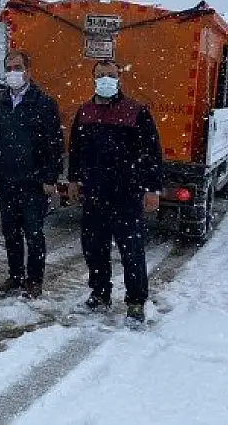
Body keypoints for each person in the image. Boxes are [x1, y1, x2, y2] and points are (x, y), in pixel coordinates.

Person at [67, 60, 163, 323]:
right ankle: (99, 294)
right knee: (94, 249)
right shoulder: (85, 112)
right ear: (93, 78)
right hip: (94, 195)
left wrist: (152, 188)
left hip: (127, 195)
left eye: (110, 75)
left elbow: (152, 153)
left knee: (131, 251)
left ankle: (135, 302)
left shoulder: (135, 112)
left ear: (119, 78)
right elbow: (75, 150)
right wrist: (74, 180)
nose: (105, 79)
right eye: (100, 75)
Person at [0, 50, 64, 299]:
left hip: (33, 182)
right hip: (7, 181)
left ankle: (34, 280)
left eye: (18, 67)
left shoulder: (44, 103)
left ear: (28, 71)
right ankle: (16, 275)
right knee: (10, 232)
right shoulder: (0, 105)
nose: (13, 73)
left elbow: (54, 144)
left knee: (34, 233)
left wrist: (50, 177)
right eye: (9, 68)